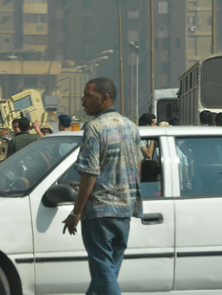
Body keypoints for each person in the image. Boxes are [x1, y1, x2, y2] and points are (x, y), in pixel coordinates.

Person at [62, 78, 142, 295]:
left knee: (103, 272)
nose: (82, 100)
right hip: (123, 212)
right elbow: (137, 168)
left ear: (105, 99)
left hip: (99, 214)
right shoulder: (131, 127)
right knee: (106, 273)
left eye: (88, 96)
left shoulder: (94, 128)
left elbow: (89, 174)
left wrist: (76, 212)